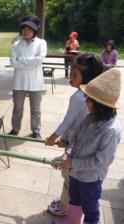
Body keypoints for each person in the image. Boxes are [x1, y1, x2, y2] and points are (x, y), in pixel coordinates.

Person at [53, 68, 122, 224]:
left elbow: (101, 162)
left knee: (90, 209)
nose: (85, 102)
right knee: (74, 200)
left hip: (91, 179)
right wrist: (68, 154)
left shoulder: (111, 131)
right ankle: (72, 220)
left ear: (101, 105)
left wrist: (73, 163)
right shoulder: (89, 118)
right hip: (76, 173)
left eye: (89, 99)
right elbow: (76, 140)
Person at [45, 54, 104, 216]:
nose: (70, 77)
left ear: (88, 77)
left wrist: (52, 138)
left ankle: (65, 208)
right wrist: (65, 139)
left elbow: (67, 122)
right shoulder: (91, 95)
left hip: (76, 146)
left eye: (75, 75)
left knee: (69, 178)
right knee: (70, 178)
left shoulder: (79, 97)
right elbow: (76, 123)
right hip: (78, 142)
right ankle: (67, 203)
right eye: (70, 72)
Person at [9, 15, 47, 139]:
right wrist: (32, 62)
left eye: (29, 29)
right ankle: (15, 128)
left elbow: (40, 60)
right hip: (19, 82)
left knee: (36, 109)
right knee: (17, 108)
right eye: (24, 28)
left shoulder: (41, 43)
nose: (26, 31)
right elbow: (13, 63)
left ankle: (36, 130)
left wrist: (22, 60)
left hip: (36, 82)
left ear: (34, 31)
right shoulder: (16, 44)